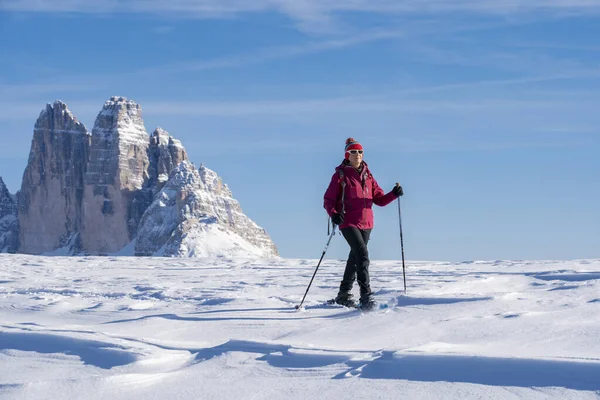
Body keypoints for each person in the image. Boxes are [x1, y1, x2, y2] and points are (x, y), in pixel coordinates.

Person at [323, 138, 403, 310]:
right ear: (347, 154)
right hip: (348, 221)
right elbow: (328, 199)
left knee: (355, 258)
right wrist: (334, 214)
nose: (357, 154)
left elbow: (379, 200)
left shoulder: (368, 175)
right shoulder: (340, 176)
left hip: (367, 223)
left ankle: (343, 294)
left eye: (360, 152)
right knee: (362, 255)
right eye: (353, 152)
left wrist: (394, 194)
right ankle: (366, 297)